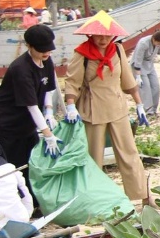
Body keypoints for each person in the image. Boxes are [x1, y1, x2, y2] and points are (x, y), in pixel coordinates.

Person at [62, 11, 151, 207]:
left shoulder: (117, 50)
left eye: (107, 35)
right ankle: (94, 200)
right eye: (99, 35)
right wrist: (70, 106)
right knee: (94, 157)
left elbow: (127, 79)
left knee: (129, 153)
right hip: (92, 108)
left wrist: (139, 104)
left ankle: (144, 195)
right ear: (91, 34)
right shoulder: (81, 53)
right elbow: (72, 82)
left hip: (117, 107)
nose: (103, 40)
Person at [0, 24, 62, 191]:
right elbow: (32, 106)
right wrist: (48, 134)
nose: (46, 53)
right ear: (29, 46)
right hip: (7, 126)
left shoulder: (46, 60)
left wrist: (49, 112)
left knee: (31, 165)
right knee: (12, 168)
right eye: (41, 49)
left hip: (28, 124)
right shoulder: (20, 69)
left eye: (48, 49)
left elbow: (48, 89)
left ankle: (32, 202)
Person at [130, 30, 160, 115]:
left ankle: (153, 110)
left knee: (155, 86)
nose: (159, 45)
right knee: (145, 88)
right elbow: (138, 59)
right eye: (158, 43)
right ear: (153, 39)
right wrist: (138, 76)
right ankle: (147, 111)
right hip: (139, 66)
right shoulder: (143, 43)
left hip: (150, 65)